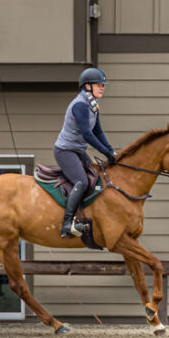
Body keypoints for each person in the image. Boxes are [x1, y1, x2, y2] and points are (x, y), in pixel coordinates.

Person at [53, 67, 116, 238]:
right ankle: (67, 223)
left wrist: (111, 151)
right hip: (65, 151)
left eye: (103, 85)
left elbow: (98, 132)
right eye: (99, 84)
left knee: (96, 178)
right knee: (81, 181)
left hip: (78, 150)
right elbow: (87, 134)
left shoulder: (92, 105)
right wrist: (105, 152)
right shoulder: (80, 105)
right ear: (87, 86)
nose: (102, 87)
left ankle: (85, 217)